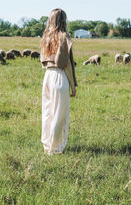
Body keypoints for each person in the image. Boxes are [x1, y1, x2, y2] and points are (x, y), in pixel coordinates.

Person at [40, 8, 77, 155]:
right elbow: (65, 63)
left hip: (47, 76)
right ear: (64, 20)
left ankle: (47, 145)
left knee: (48, 112)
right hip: (60, 76)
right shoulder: (64, 37)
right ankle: (56, 148)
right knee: (59, 114)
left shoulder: (45, 37)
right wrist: (73, 86)